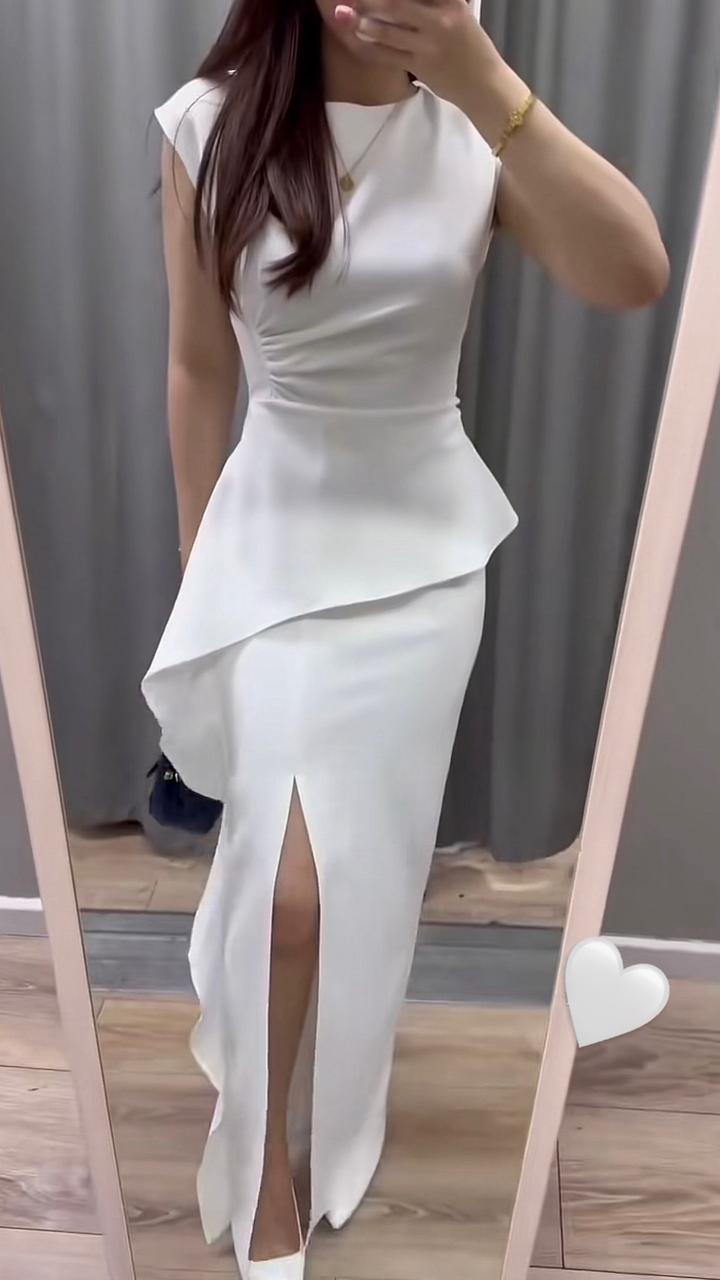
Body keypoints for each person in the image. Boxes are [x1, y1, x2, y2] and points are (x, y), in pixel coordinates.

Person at [140, 2, 669, 1276]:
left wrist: (481, 75)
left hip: (424, 563)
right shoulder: (207, 126)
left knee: (363, 876)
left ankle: (337, 1083)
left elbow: (635, 272)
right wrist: (201, 571)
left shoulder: (480, 127)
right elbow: (199, 368)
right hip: (271, 547)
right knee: (288, 893)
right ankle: (264, 1173)